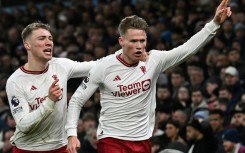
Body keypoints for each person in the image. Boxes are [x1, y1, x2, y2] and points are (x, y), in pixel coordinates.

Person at [66, 0, 232, 152]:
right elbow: (77, 100)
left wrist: (214, 24)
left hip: (142, 139)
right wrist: (72, 133)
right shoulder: (104, 67)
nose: (139, 46)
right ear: (121, 41)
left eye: (142, 40)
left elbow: (187, 49)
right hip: (111, 138)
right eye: (133, 41)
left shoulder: (154, 60)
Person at [5, 22, 126, 153]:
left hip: (60, 147)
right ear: (27, 45)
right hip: (27, 149)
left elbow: (97, 65)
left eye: (50, 38)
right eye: (41, 38)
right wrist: (49, 102)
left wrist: (125, 53)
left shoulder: (60, 65)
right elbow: (23, 125)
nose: (49, 42)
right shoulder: (15, 81)